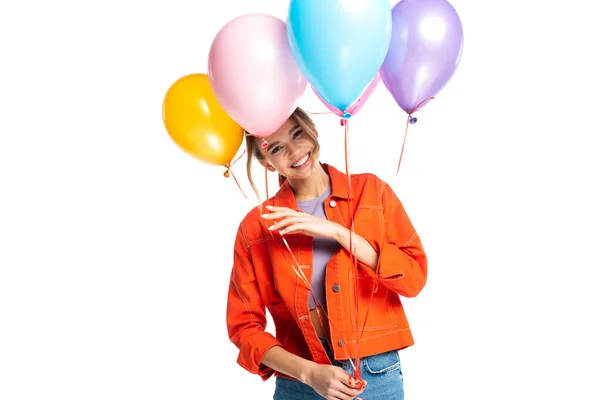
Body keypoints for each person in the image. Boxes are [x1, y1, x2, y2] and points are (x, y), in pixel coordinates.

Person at [226, 107, 427, 400]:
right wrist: (308, 373)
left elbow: (413, 278)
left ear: (312, 128)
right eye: (278, 148)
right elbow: (243, 327)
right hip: (299, 382)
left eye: (297, 134)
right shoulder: (256, 227)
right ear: (266, 163)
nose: (295, 151)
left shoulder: (372, 192)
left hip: (375, 377)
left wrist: (338, 233)